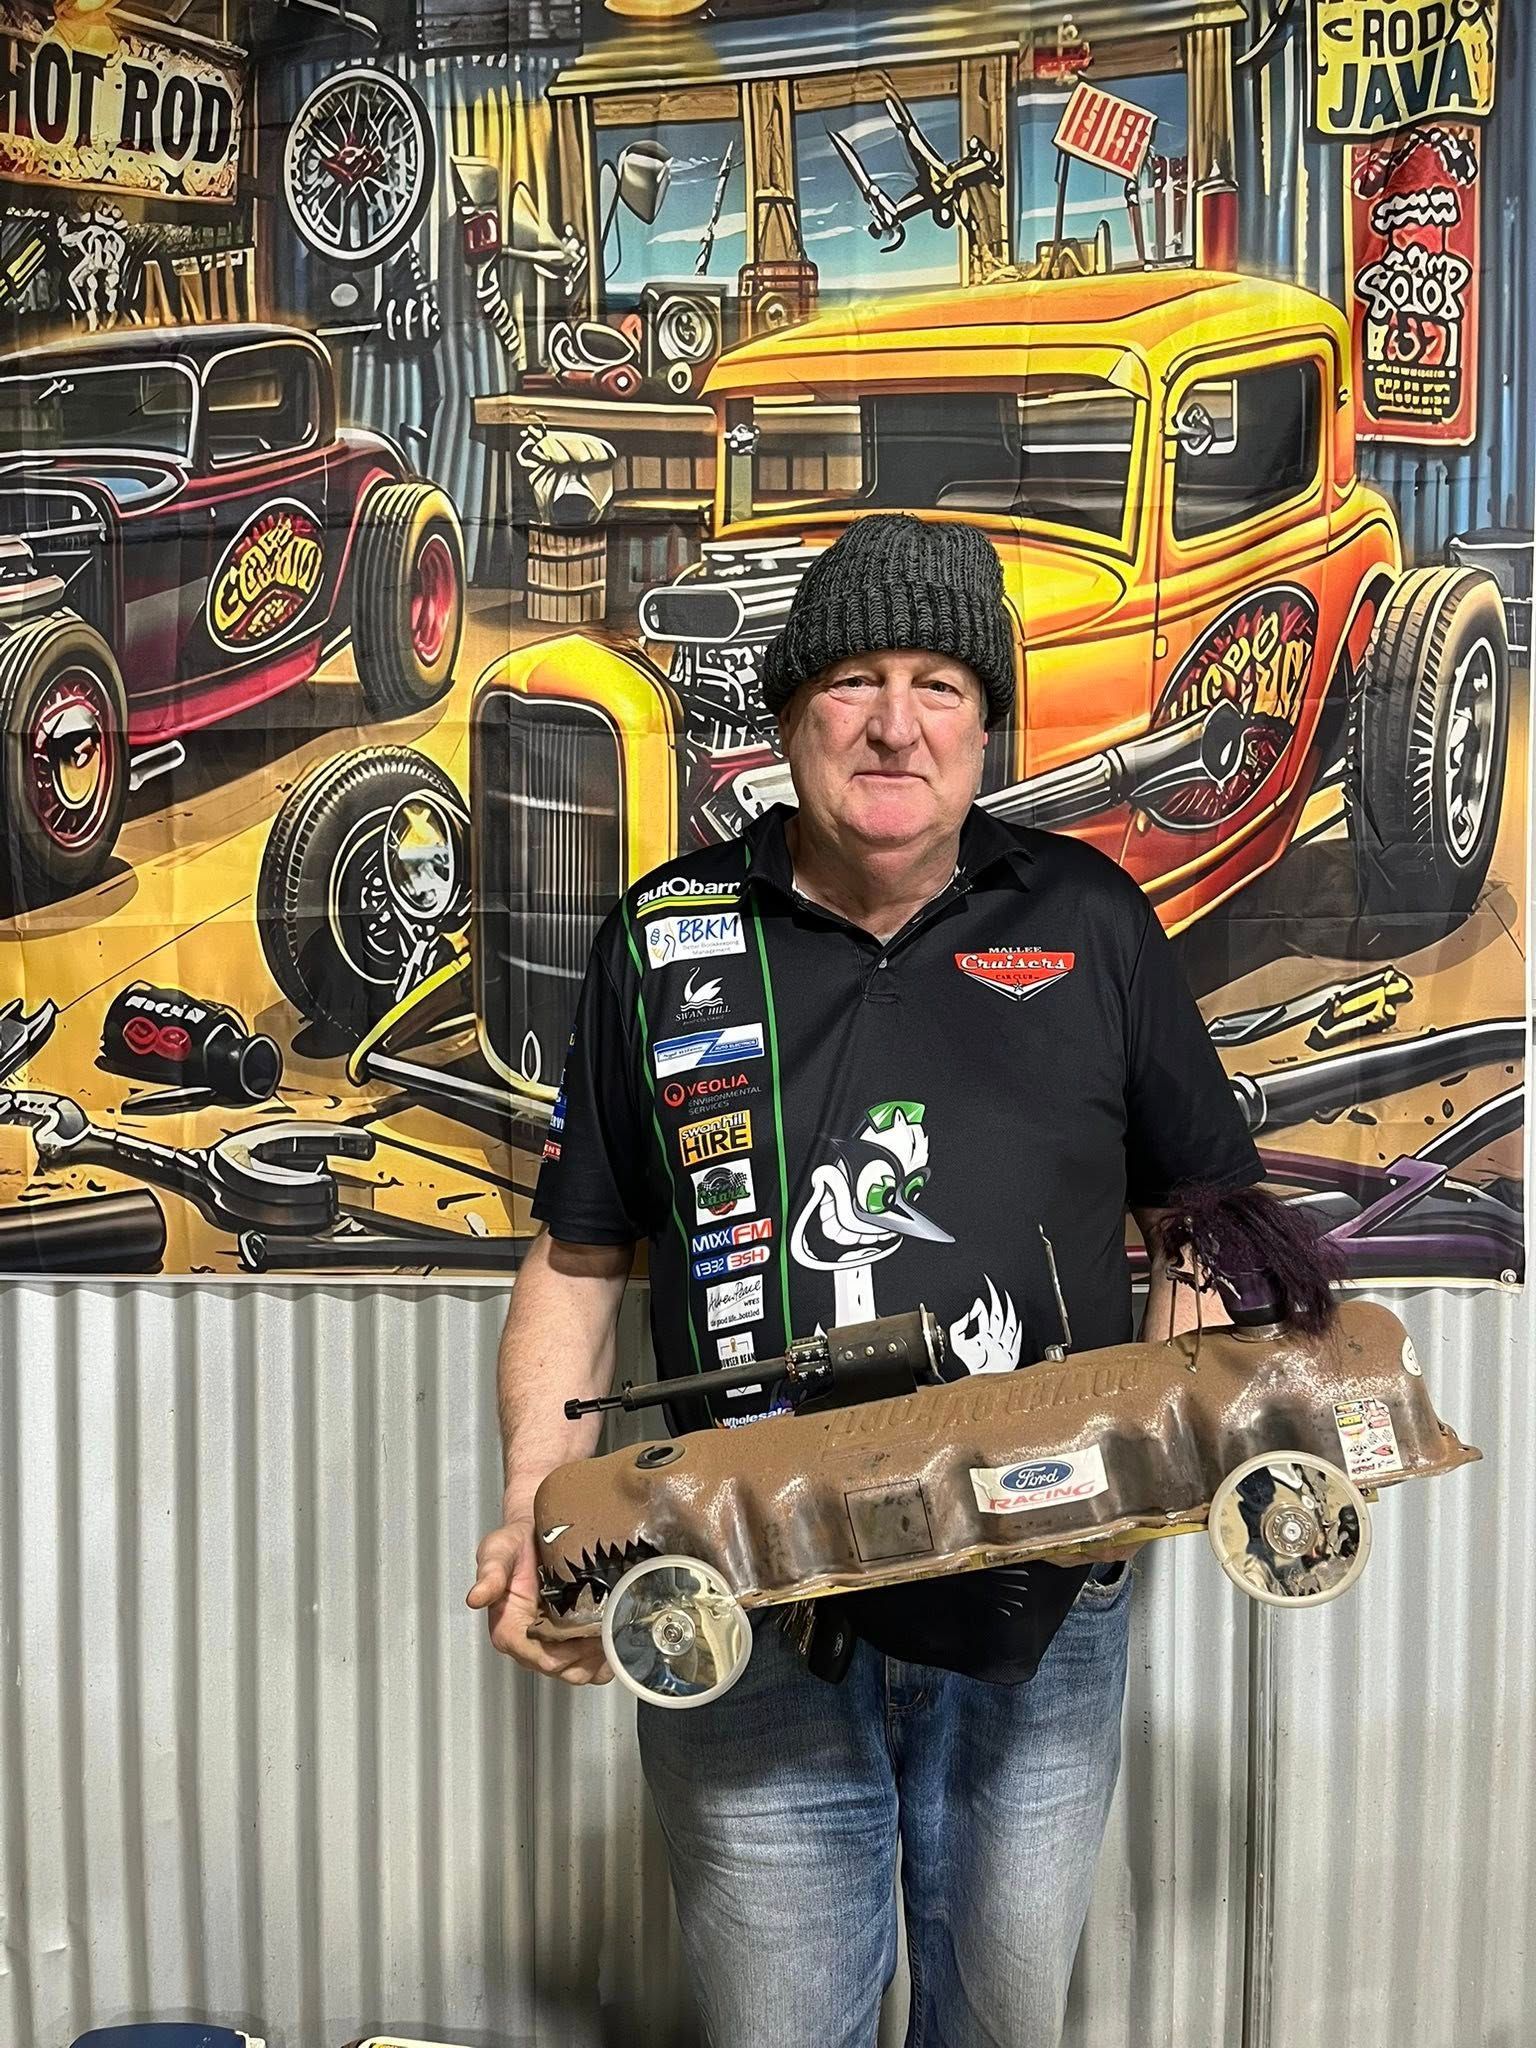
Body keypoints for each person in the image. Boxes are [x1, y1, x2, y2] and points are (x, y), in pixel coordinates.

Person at [469, 513, 1265, 2048]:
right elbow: (578, 1260)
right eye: (851, 679)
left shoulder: (1090, 919)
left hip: (1043, 1607)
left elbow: (1212, 1219)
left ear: (985, 720)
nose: (894, 723)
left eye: (938, 683)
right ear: (785, 715)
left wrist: (1157, 1435)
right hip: (746, 1603)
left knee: (1004, 2020)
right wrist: (533, 1511)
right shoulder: (664, 934)